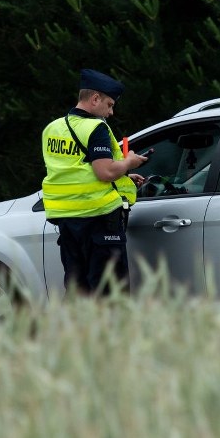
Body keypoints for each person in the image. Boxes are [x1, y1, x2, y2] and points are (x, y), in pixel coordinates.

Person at [40, 68, 151, 295]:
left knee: (79, 289)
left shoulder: (53, 128)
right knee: (110, 293)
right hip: (98, 218)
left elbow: (75, 169)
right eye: (109, 104)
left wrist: (124, 177)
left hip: (67, 222)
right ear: (95, 99)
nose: (110, 112)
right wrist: (129, 162)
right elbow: (104, 172)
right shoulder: (95, 128)